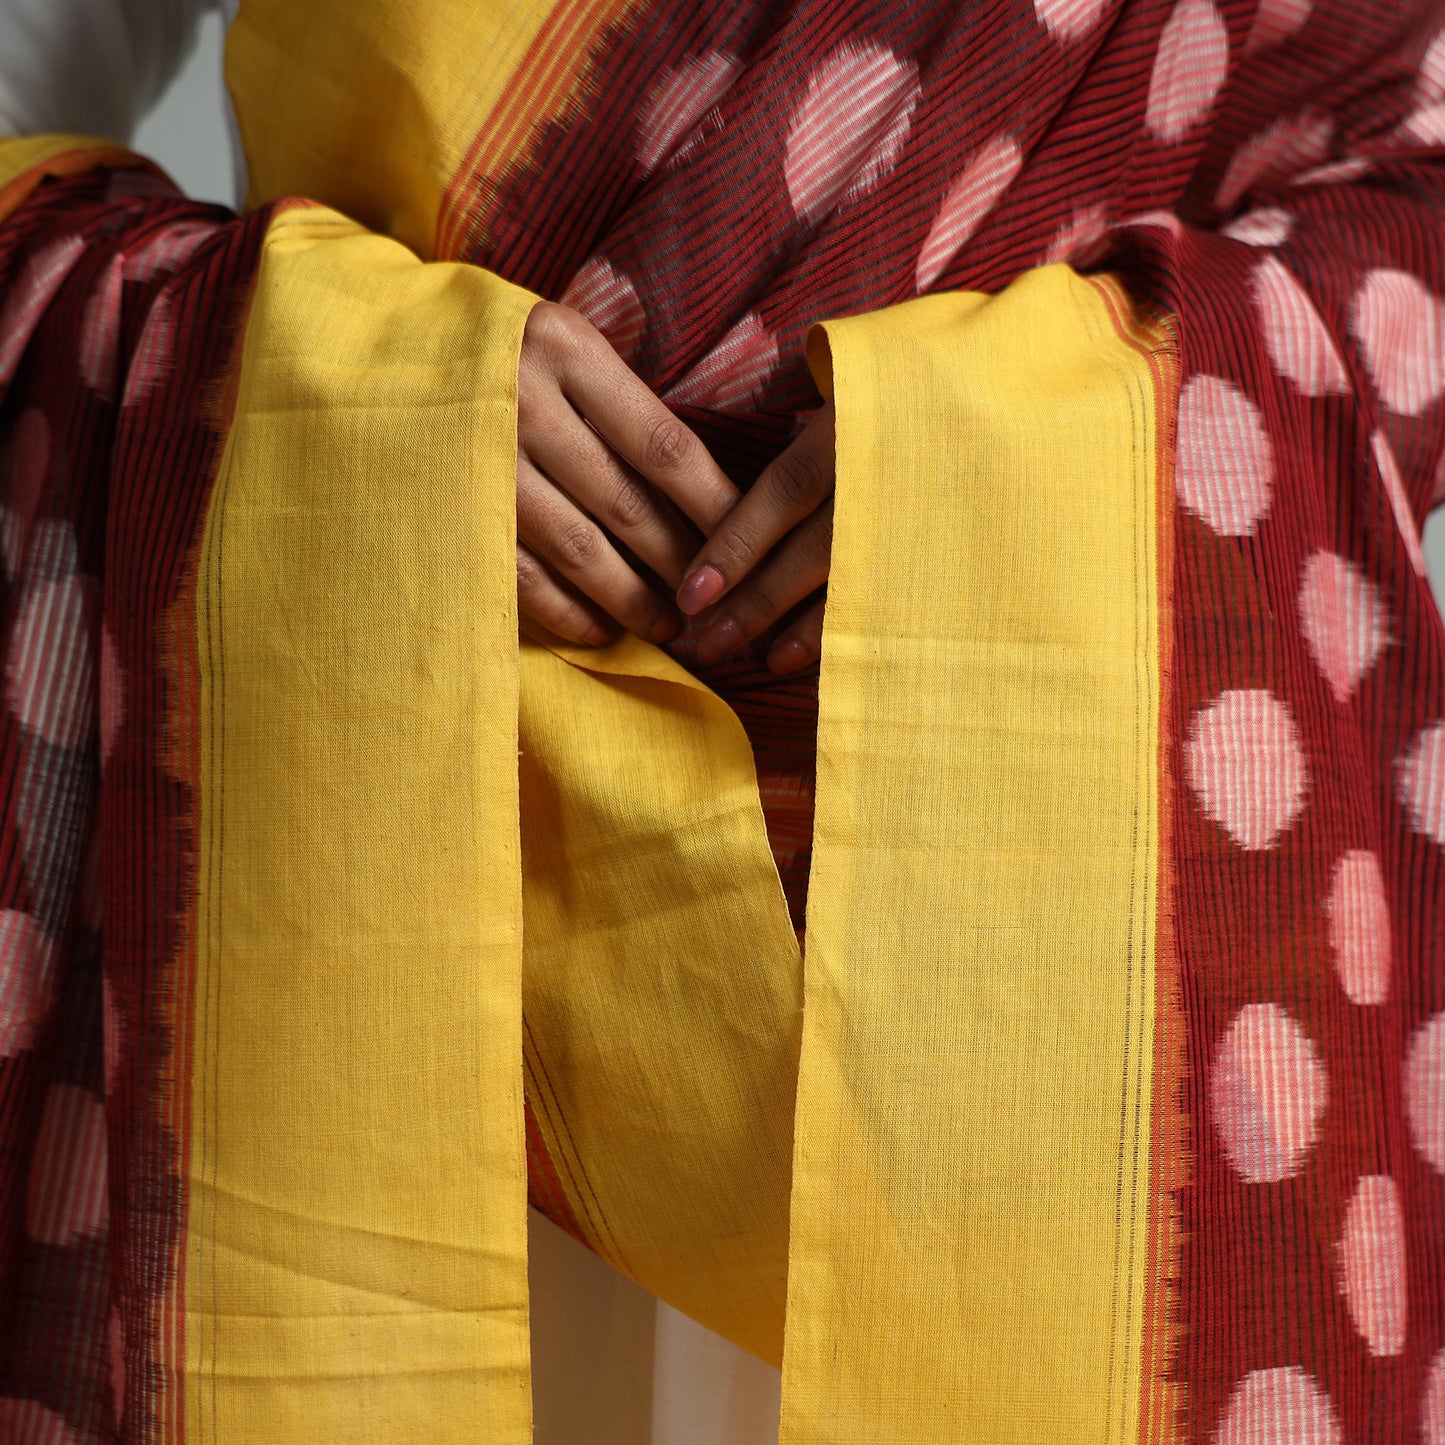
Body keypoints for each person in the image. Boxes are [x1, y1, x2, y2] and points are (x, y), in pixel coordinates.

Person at [0, 0, 1443, 1442]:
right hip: (375, 854)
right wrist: (319, 394)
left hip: (1055, 908)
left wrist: (1034, 443)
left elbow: (1412, 197)